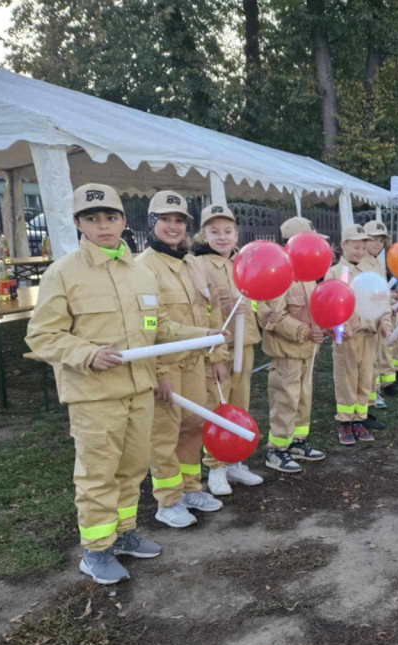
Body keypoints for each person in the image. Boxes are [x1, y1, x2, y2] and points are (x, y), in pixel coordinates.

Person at [26, 183, 221, 584]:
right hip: (94, 395)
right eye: (93, 219)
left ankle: (124, 533)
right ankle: (96, 551)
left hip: (139, 389)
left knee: (132, 469)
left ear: (123, 221)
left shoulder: (138, 272)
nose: (103, 226)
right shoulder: (63, 273)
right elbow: (42, 336)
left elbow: (157, 327)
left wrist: (205, 334)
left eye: (111, 217)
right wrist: (87, 353)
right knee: (98, 473)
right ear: (79, 224)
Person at [137, 190, 228, 528]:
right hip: (165, 365)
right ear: (151, 223)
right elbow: (153, 328)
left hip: (195, 362)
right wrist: (158, 373)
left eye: (179, 221)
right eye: (165, 220)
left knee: (192, 426)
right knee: (165, 434)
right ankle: (168, 500)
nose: (173, 227)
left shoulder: (192, 263)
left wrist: (217, 353)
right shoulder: (142, 268)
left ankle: (190, 488)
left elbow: (211, 311)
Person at [190, 204, 265, 495]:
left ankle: (236, 460)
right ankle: (216, 466)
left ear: (236, 234)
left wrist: (258, 312)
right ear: (203, 234)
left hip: (244, 344)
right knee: (217, 406)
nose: (222, 237)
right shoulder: (199, 265)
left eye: (228, 231)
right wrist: (215, 354)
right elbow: (202, 311)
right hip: (218, 348)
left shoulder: (243, 261)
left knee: (240, 405)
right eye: (214, 231)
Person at [259, 216, 328, 471]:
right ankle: (277, 449)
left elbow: (315, 308)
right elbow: (273, 315)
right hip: (286, 352)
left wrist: (322, 327)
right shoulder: (279, 275)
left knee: (302, 398)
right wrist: (303, 332)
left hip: (308, 351)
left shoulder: (307, 275)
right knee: (285, 398)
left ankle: (297, 441)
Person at [326, 224, 390, 445]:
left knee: (366, 379)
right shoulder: (334, 273)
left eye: (363, 247)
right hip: (347, 338)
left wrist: (385, 322)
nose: (360, 252)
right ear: (344, 245)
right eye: (355, 247)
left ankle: (359, 420)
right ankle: (345, 422)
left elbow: (382, 300)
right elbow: (326, 306)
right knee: (346, 379)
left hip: (369, 336)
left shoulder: (371, 272)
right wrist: (337, 328)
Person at [363, 219, 396, 407]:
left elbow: (381, 291)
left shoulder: (378, 264)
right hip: (364, 319)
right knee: (367, 361)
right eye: (373, 239)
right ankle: (368, 395)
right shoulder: (360, 262)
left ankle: (374, 392)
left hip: (378, 317)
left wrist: (390, 299)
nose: (377, 244)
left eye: (381, 241)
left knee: (376, 357)